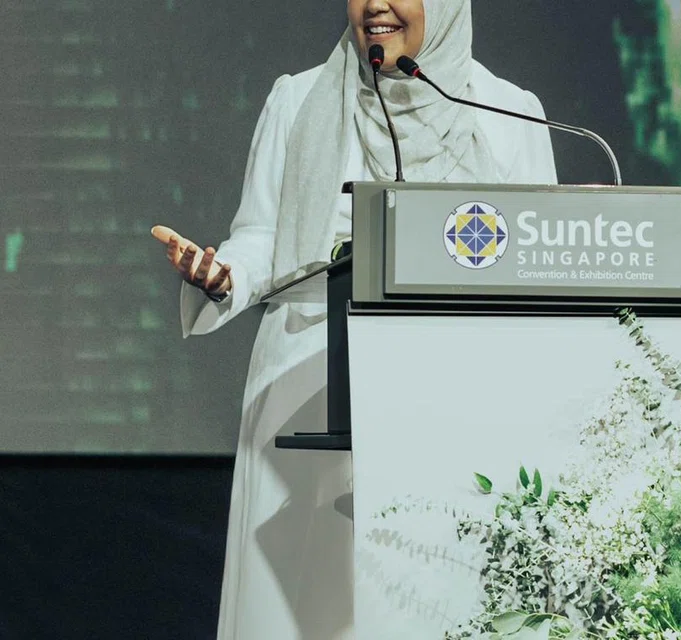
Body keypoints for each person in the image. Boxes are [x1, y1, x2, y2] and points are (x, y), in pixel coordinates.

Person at [151, 0, 557, 637]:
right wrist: (225, 276)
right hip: (308, 390)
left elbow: (537, 271)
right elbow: (262, 236)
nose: (376, 6)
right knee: (312, 607)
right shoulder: (298, 100)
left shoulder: (510, 115)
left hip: (460, 400)